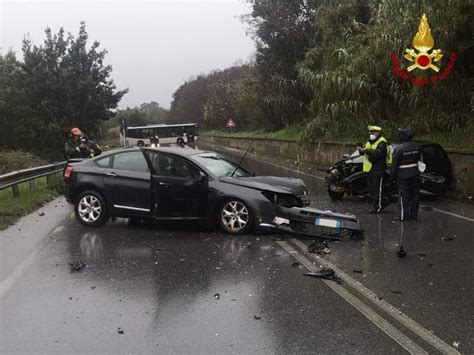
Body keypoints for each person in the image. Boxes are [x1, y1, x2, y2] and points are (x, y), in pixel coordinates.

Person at [357, 125, 391, 213]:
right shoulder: (369, 142)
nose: (371, 134)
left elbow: (378, 154)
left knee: (377, 189)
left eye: (373, 132)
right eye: (370, 132)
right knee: (371, 189)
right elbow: (366, 153)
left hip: (378, 169)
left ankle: (378, 207)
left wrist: (366, 151)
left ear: (378, 133)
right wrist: (361, 150)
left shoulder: (382, 142)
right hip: (369, 169)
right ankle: (384, 201)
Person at [390, 129, 421, 221]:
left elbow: (394, 165)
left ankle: (404, 216)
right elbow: (420, 160)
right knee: (415, 195)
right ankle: (414, 215)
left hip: (403, 175)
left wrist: (391, 178)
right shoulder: (417, 146)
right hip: (415, 173)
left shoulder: (399, 149)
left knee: (404, 195)